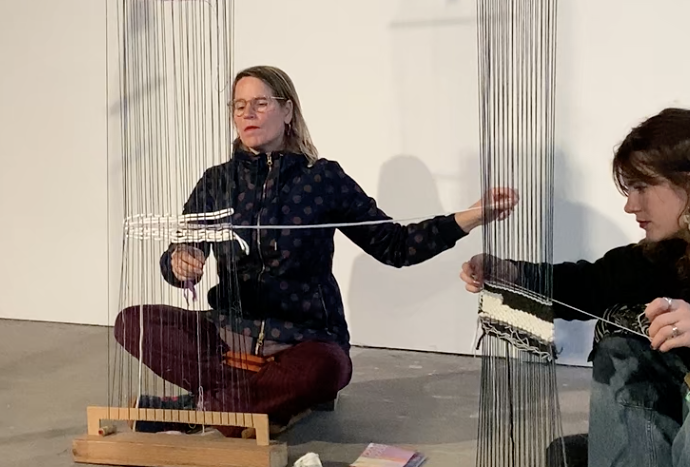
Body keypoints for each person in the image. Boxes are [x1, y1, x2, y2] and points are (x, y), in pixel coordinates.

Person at [116, 65, 517, 432]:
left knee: (328, 369)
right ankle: (255, 403)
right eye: (239, 106)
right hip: (229, 338)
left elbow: (395, 246)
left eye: (260, 103)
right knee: (133, 323)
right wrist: (179, 262)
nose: (248, 113)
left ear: (287, 111)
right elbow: (178, 254)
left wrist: (471, 216)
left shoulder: (322, 179)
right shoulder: (216, 182)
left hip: (301, 341)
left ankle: (206, 407)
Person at [460, 108, 690, 467]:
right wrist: (511, 274)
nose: (630, 206)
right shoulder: (669, 251)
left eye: (642, 188)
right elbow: (590, 284)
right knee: (622, 346)